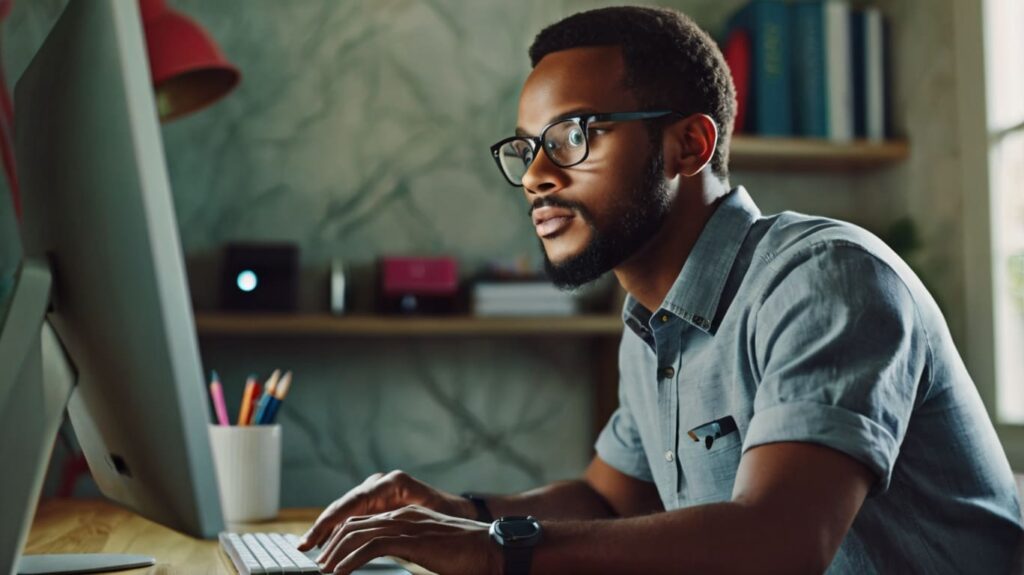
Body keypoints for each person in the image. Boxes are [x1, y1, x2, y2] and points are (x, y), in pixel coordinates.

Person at [297, 6, 1024, 574]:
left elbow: (782, 541)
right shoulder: (651, 318)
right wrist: (455, 511)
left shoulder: (825, 279)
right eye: (527, 146)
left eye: (575, 134)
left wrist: (498, 549)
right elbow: (610, 499)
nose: (535, 175)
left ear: (690, 145)